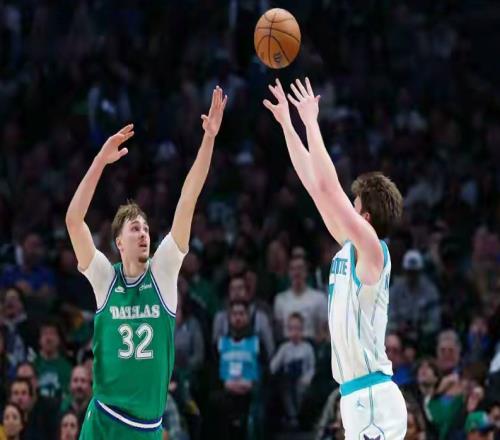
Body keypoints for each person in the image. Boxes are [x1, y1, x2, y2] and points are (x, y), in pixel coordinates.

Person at [65, 86, 227, 439]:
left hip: (147, 427)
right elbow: (74, 221)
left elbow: (188, 199)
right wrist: (100, 161)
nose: (144, 234)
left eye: (146, 229)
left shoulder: (163, 272)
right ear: (118, 242)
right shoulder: (105, 279)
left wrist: (209, 139)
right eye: (135, 229)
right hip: (104, 420)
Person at [264, 77, 406, 439]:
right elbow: (316, 187)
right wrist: (288, 125)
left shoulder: (373, 249)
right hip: (356, 397)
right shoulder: (349, 247)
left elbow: (329, 186)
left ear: (366, 217)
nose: (346, 208)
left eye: (353, 205)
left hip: (374, 397)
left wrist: (311, 121)